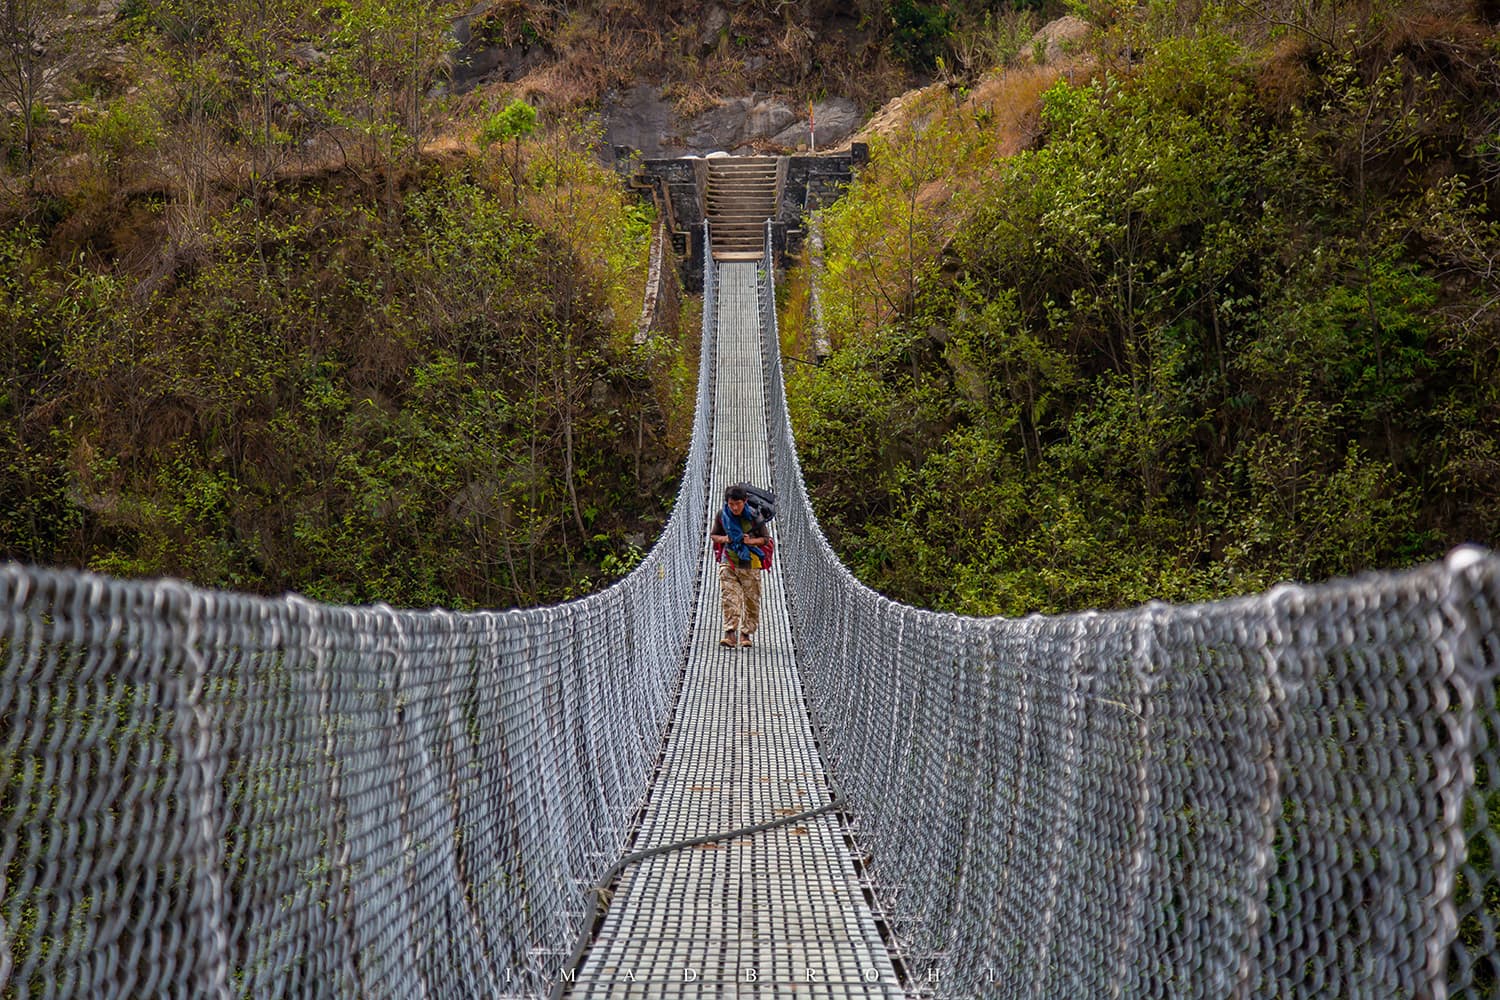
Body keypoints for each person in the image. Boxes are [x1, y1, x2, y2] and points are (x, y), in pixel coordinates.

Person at [710, 484, 770, 648]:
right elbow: (714, 535)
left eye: (738, 504)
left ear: (745, 501)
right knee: (730, 598)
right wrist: (726, 539)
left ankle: (745, 633)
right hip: (729, 560)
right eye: (731, 504)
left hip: (750, 564)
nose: (735, 508)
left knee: (751, 601)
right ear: (727, 503)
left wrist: (750, 541)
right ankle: (730, 634)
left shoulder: (754, 516)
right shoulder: (722, 515)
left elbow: (766, 539)